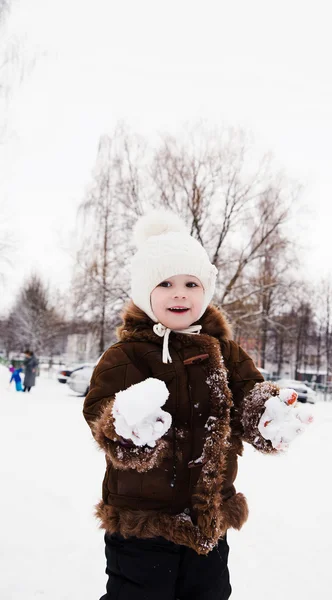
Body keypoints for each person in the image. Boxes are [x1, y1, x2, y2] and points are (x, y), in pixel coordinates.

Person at [83, 210, 313, 600]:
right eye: (166, 283)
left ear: (204, 292)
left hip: (209, 517)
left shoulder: (225, 352)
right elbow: (98, 410)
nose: (180, 293)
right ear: (144, 292)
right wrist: (124, 424)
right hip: (142, 521)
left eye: (191, 283)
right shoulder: (126, 355)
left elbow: (249, 394)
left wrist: (267, 414)